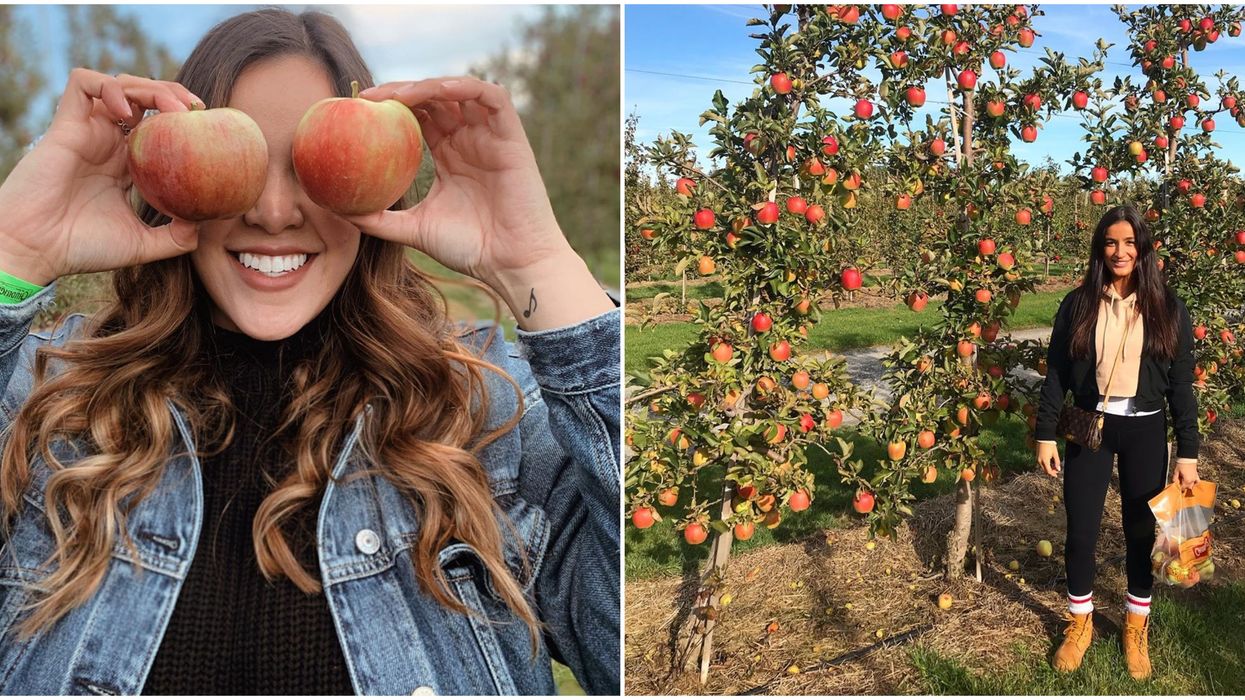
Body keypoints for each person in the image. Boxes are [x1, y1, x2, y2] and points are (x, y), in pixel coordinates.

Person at [0, 9, 619, 696]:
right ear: (165, 177)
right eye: (238, 161)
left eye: (311, 165)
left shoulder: (481, 415)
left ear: (382, 182)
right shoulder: (52, 401)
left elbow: (625, 642)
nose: (272, 211)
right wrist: (13, 250)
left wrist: (534, 264)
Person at [1034, 204, 1199, 681]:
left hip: (1145, 429)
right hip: (1091, 427)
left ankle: (1135, 626)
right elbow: (1058, 373)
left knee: (1141, 534)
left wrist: (1187, 451)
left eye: (1129, 242)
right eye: (1111, 242)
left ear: (1143, 248)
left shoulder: (1168, 307)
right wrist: (1046, 433)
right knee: (1081, 531)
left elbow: (1182, 385)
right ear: (1100, 249)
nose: (1120, 251)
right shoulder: (1079, 303)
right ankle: (1080, 622)